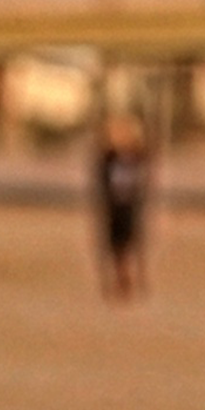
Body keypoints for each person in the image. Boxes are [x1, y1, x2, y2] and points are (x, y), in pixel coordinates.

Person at [90, 104, 152, 299]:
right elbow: (100, 152)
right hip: (114, 206)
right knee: (114, 247)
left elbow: (146, 151)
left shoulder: (136, 157)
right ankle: (117, 281)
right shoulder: (109, 158)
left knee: (133, 245)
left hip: (130, 205)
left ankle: (135, 279)